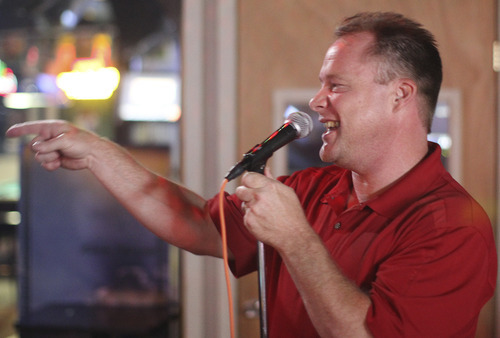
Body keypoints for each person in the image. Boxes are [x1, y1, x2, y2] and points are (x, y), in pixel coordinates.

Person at [6, 11, 497, 337]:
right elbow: (198, 222)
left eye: (337, 85)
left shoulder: (454, 226)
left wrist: (297, 240)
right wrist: (98, 153)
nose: (316, 100)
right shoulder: (312, 188)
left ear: (400, 96)